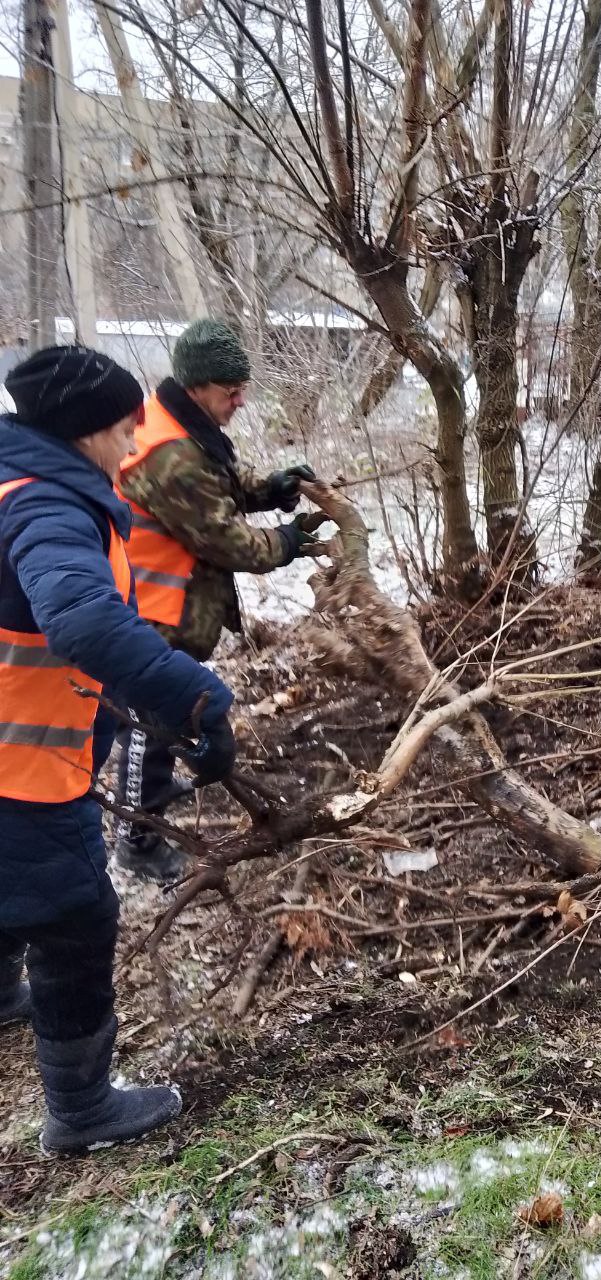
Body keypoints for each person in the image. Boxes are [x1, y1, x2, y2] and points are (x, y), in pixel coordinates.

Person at [0, 345, 236, 1154]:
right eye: (124, 418)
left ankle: (2, 993)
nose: (138, 428)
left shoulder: (18, 481)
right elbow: (87, 624)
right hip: (18, 769)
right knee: (73, 916)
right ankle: (82, 1111)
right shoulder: (48, 508)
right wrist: (199, 696)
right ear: (83, 431)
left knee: (10, 891)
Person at [116, 318, 319, 882]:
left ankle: (146, 820)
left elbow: (217, 483)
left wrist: (268, 488)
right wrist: (287, 541)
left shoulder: (182, 424)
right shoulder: (169, 454)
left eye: (242, 387)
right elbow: (224, 539)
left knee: (160, 723)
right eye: (231, 390)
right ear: (198, 385)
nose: (240, 400)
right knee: (148, 727)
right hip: (152, 613)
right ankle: (136, 840)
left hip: (172, 607)